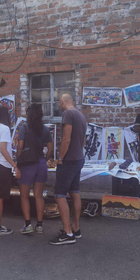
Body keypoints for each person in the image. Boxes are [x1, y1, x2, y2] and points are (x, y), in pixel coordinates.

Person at [49, 93, 86, 246]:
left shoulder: (68, 114)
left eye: (59, 103)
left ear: (63, 102)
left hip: (69, 160)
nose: (59, 105)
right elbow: (83, 139)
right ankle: (75, 228)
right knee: (75, 192)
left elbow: (66, 138)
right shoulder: (81, 115)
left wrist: (61, 158)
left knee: (59, 195)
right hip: (78, 158)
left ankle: (68, 233)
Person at [17, 104, 53, 234]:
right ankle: (39, 225)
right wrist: (45, 158)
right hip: (41, 164)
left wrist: (18, 158)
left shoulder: (24, 128)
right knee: (39, 196)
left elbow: (20, 146)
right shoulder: (45, 129)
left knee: (24, 196)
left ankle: (28, 225)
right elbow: (50, 148)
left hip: (27, 165)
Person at [0, 105, 21, 237]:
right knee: (0, 197)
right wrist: (15, 165)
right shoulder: (5, 128)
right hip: (2, 166)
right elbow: (3, 149)